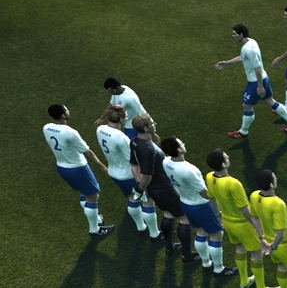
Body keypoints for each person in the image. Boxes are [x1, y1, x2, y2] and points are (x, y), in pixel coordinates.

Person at [160, 137, 237, 277]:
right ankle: (218, 269)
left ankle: (206, 263)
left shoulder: (166, 162)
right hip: (201, 206)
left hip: (185, 203)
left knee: (200, 232)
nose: (184, 143)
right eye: (181, 143)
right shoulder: (190, 170)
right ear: (179, 149)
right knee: (216, 235)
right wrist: (218, 212)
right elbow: (205, 194)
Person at [205, 149, 275, 288]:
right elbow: (244, 210)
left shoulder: (210, 177)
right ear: (223, 164)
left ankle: (244, 281)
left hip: (227, 221)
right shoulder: (233, 183)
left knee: (240, 248)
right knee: (256, 253)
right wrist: (257, 228)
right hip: (242, 224)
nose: (229, 157)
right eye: (226, 157)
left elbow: (211, 199)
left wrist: (218, 216)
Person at [43, 104, 116, 237]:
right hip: (78, 168)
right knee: (93, 195)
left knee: (84, 192)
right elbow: (87, 152)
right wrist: (102, 165)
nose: (68, 111)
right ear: (63, 115)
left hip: (62, 168)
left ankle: (96, 219)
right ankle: (95, 229)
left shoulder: (46, 128)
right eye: (66, 110)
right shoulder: (70, 132)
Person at [216, 24, 287, 139]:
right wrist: (226, 63)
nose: (232, 36)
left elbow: (257, 68)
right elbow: (242, 57)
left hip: (256, 82)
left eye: (234, 34)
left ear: (241, 34)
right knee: (270, 101)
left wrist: (260, 86)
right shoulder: (250, 42)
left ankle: (243, 132)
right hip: (263, 78)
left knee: (247, 106)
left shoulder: (249, 49)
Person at [130, 114, 194, 258]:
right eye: (152, 123)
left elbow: (134, 164)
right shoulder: (149, 149)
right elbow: (147, 175)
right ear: (145, 128)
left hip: (155, 190)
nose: (155, 124)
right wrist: (139, 189)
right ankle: (187, 255)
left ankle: (169, 247)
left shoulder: (134, 142)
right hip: (165, 188)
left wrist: (140, 184)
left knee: (168, 214)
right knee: (185, 218)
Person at [95, 107, 147, 234]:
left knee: (131, 196)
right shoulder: (122, 138)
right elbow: (133, 161)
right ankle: (141, 227)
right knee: (136, 198)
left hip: (113, 172)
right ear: (123, 119)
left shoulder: (100, 129)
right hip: (127, 175)